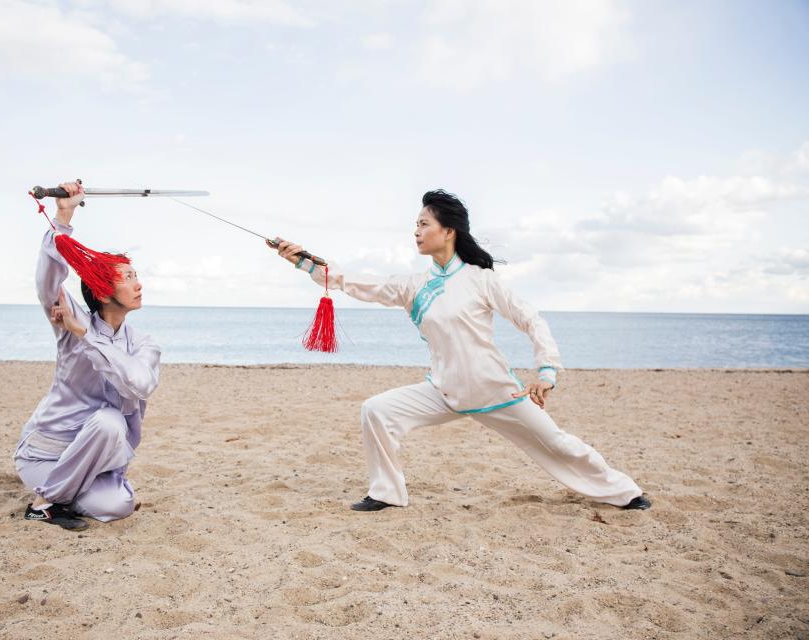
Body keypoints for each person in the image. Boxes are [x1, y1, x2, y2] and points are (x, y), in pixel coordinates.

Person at [271, 189, 650, 512]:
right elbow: (353, 282)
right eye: (416, 224)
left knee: (557, 443)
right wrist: (303, 260)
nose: (416, 231)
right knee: (376, 410)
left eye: (424, 224)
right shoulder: (413, 285)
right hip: (444, 391)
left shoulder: (481, 280)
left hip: (496, 392)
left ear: (448, 231)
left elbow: (532, 320)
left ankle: (624, 493)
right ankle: (386, 493)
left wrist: (546, 372)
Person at [13, 181, 161, 530]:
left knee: (119, 504)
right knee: (110, 420)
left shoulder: (144, 344)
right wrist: (63, 214)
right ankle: (44, 501)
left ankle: (59, 495)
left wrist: (90, 339)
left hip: (96, 459)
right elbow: (47, 284)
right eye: (128, 277)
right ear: (103, 289)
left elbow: (140, 384)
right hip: (45, 454)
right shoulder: (72, 322)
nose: (138, 284)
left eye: (136, 275)